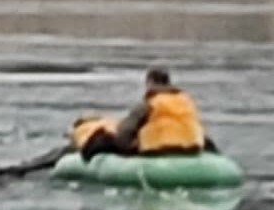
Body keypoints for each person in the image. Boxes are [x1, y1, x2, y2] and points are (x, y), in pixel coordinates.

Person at [81, 67, 216, 162]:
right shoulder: (187, 102)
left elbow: (124, 132)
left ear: (150, 82)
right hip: (191, 149)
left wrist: (126, 147)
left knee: (104, 138)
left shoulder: (150, 104)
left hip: (159, 150)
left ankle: (85, 158)